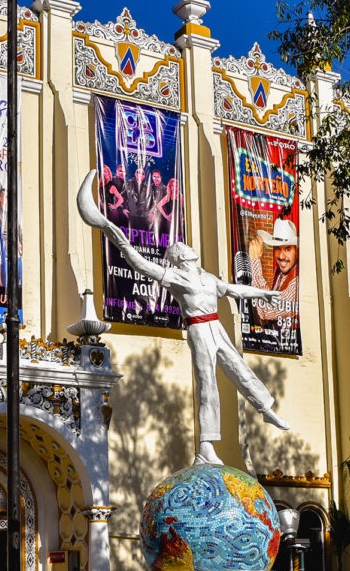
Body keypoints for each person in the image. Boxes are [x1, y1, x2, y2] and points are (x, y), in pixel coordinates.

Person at [77, 171, 290, 465]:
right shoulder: (175, 276)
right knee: (207, 383)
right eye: (183, 247)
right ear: (179, 256)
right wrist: (119, 240)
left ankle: (266, 409)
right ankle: (206, 447)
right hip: (199, 331)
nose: (188, 247)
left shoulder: (207, 278)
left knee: (239, 367)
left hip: (216, 325)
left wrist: (261, 294)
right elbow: (141, 265)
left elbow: (232, 289)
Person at [252, 219, 298, 323]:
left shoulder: (298, 281)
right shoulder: (279, 272)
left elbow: (266, 310)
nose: (281, 256)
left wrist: (255, 260)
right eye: (277, 248)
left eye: (287, 249)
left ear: (296, 251)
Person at [123, 164, 155, 232]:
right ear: (135, 174)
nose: (140, 174)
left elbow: (153, 201)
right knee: (131, 235)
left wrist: (152, 212)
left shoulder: (148, 188)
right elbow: (122, 197)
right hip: (131, 214)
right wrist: (124, 208)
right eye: (138, 172)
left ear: (144, 176)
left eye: (142, 173)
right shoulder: (128, 184)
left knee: (144, 236)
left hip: (144, 215)